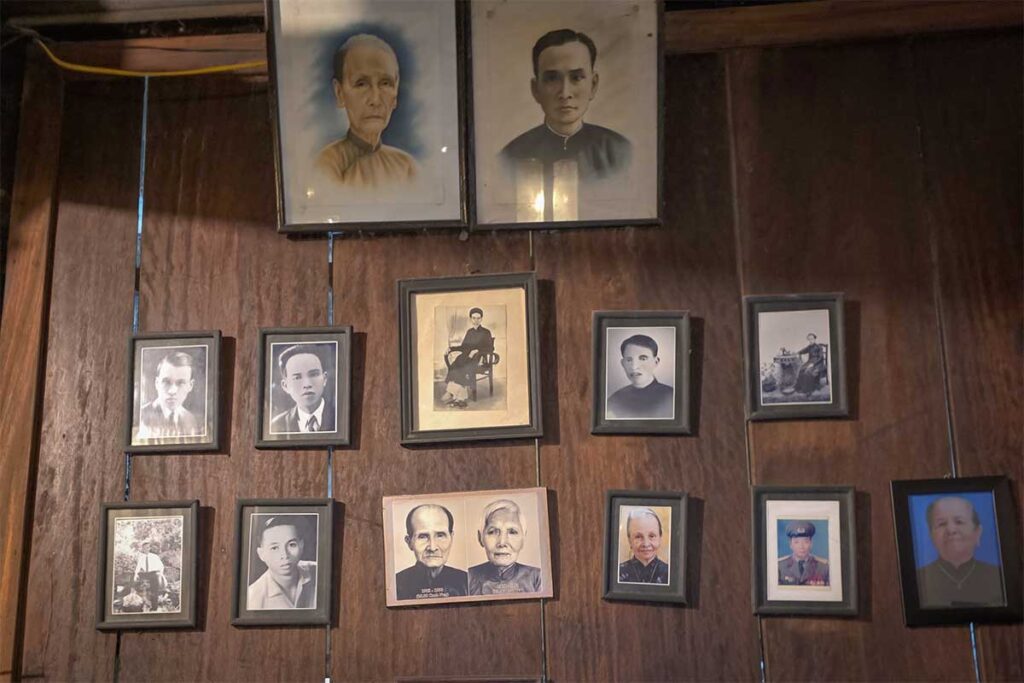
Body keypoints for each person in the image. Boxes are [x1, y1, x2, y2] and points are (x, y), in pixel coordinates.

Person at [501, 29, 631, 181]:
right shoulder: (510, 157)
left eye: (576, 78)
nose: (564, 93)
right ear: (536, 89)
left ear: (593, 85)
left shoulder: (620, 151)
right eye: (552, 79)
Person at [315, 33, 417, 188]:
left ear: (395, 95)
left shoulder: (408, 167)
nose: (375, 100)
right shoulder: (326, 166)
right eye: (361, 84)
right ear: (340, 93)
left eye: (385, 83)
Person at [916, 496, 1003, 607]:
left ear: (977, 532)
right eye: (941, 524)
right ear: (931, 535)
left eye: (959, 522)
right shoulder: (918, 580)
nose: (951, 530)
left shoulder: (999, 578)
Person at [468, 500, 542, 595]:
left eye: (512, 532)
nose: (502, 542)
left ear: (523, 538)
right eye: (493, 531)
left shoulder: (537, 577)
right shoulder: (467, 577)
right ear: (480, 538)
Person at [395, 504, 468, 600]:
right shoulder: (395, 585)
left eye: (440, 535)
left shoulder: (468, 582)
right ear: (409, 542)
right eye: (423, 536)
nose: (432, 548)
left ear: (451, 537)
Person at [247, 516, 317, 609]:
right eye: (274, 548)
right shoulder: (251, 598)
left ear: (301, 545)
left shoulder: (320, 572)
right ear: (261, 554)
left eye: (292, 545)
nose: (284, 555)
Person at [270, 344, 335, 434]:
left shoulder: (340, 418)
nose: (307, 384)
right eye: (297, 377)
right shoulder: (276, 425)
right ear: (285, 386)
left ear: (324, 379)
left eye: (313, 374)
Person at [606, 334, 674, 419]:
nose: (634, 366)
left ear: (656, 362)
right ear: (623, 364)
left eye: (643, 358)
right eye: (629, 360)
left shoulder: (671, 397)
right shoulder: (614, 401)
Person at [138, 350, 201, 439]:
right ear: (157, 383)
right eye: (166, 382)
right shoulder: (141, 416)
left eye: (181, 383)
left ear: (190, 386)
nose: (172, 391)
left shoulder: (191, 420)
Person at [441, 308, 494, 409]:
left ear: (481, 319)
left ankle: (458, 397)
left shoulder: (486, 332)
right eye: (474, 318)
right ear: (471, 319)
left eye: (478, 318)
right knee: (455, 366)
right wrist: (450, 348)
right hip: (465, 357)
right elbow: (463, 347)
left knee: (462, 368)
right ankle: (455, 395)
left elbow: (490, 348)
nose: (476, 320)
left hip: (477, 359)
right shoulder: (469, 332)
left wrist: (477, 351)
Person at [618, 508, 669, 584]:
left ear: (660, 538)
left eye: (652, 536)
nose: (646, 544)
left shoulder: (670, 572)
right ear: (629, 540)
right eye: (638, 536)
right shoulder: (618, 572)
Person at [778, 521, 829, 586]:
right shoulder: (780, 566)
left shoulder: (823, 567)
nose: (801, 547)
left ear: (811, 543)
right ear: (790, 544)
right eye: (797, 542)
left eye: (806, 542)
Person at [133, 539, 167, 611]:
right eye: (144, 548)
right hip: (145, 574)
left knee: (154, 589)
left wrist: (160, 575)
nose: (146, 549)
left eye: (147, 547)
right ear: (142, 549)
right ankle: (136, 603)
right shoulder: (141, 558)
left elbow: (161, 566)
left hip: (154, 573)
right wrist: (136, 575)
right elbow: (138, 567)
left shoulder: (154, 557)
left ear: (149, 548)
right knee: (133, 579)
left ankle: (154, 607)